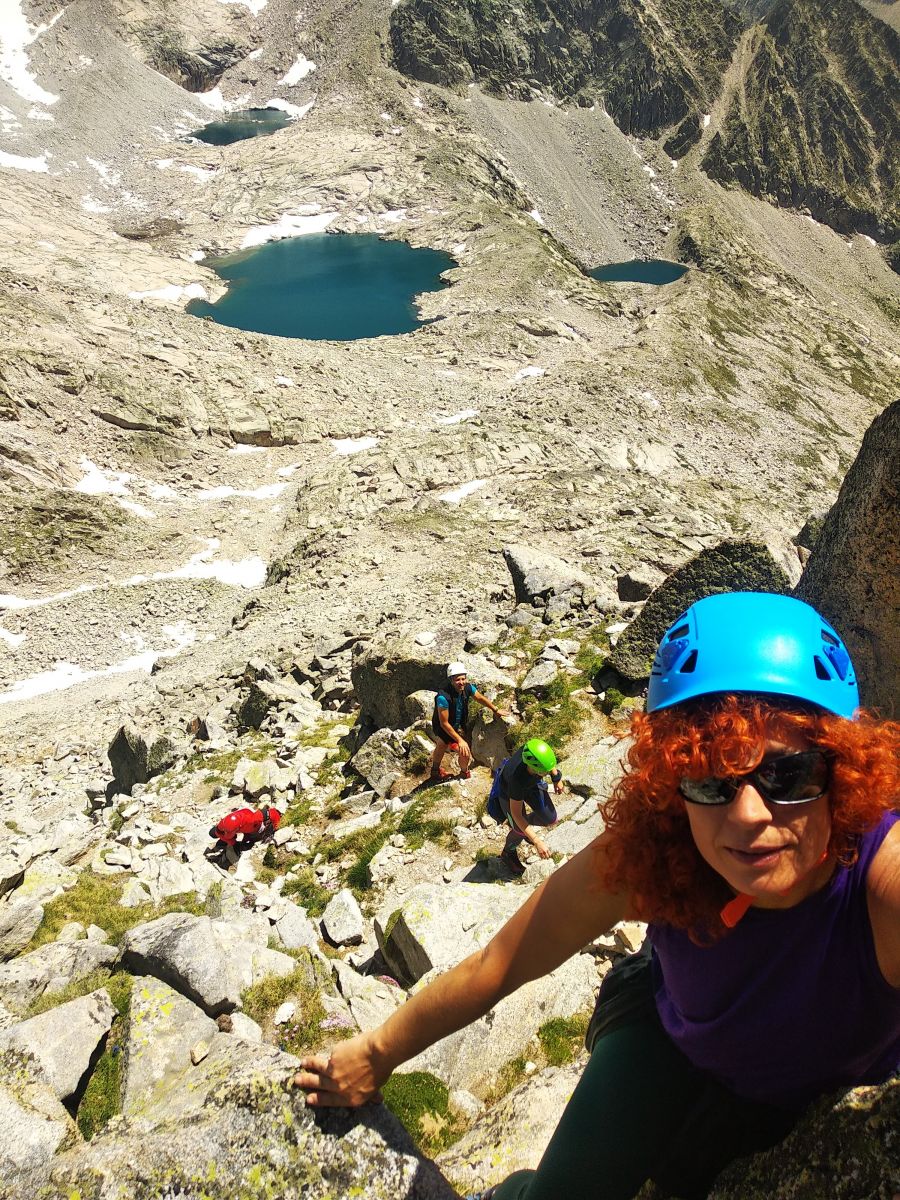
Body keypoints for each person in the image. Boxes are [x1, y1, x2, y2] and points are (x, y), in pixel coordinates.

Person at [294, 592, 900, 1199]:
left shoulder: (881, 877)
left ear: (844, 770)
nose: (747, 816)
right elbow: (499, 964)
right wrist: (375, 1054)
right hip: (668, 1041)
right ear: (671, 783)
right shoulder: (651, 854)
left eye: (787, 775)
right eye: (706, 779)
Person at [495, 738, 564, 876]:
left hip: (531, 784)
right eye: (544, 772)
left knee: (550, 819)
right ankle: (508, 852)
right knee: (519, 828)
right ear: (534, 768)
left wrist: (556, 778)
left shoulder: (535, 751)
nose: (547, 773)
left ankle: (526, 829)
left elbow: (549, 764)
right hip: (509, 792)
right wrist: (536, 840)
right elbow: (516, 814)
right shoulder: (516, 780)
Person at [430, 661, 508, 781]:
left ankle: (435, 772)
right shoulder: (443, 697)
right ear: (451, 680)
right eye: (457, 680)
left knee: (442, 744)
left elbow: (479, 698)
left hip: (456, 723)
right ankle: (463, 773)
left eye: (463, 679)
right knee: (463, 751)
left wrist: (495, 709)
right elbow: (444, 723)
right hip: (444, 727)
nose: (461, 682)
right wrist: (460, 740)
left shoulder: (467, 688)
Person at [208, 804, 281, 849]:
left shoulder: (227, 832)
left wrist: (239, 844)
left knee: (253, 834)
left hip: (250, 826)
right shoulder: (225, 822)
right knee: (252, 831)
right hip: (247, 822)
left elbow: (232, 840)